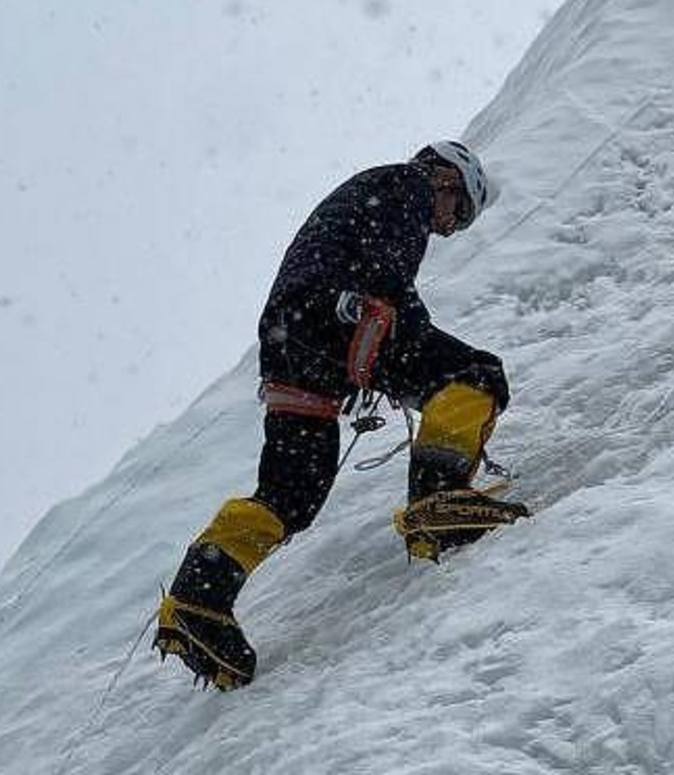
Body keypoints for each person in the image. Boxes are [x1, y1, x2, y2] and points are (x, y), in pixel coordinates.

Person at [153, 140, 529, 689]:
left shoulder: (366, 193)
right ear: (446, 177)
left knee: (291, 492)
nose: (449, 228)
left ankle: (197, 602)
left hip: (291, 340)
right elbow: (388, 272)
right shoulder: (406, 184)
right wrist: (402, 336)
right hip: (339, 316)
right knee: (476, 374)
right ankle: (436, 498)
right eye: (459, 212)